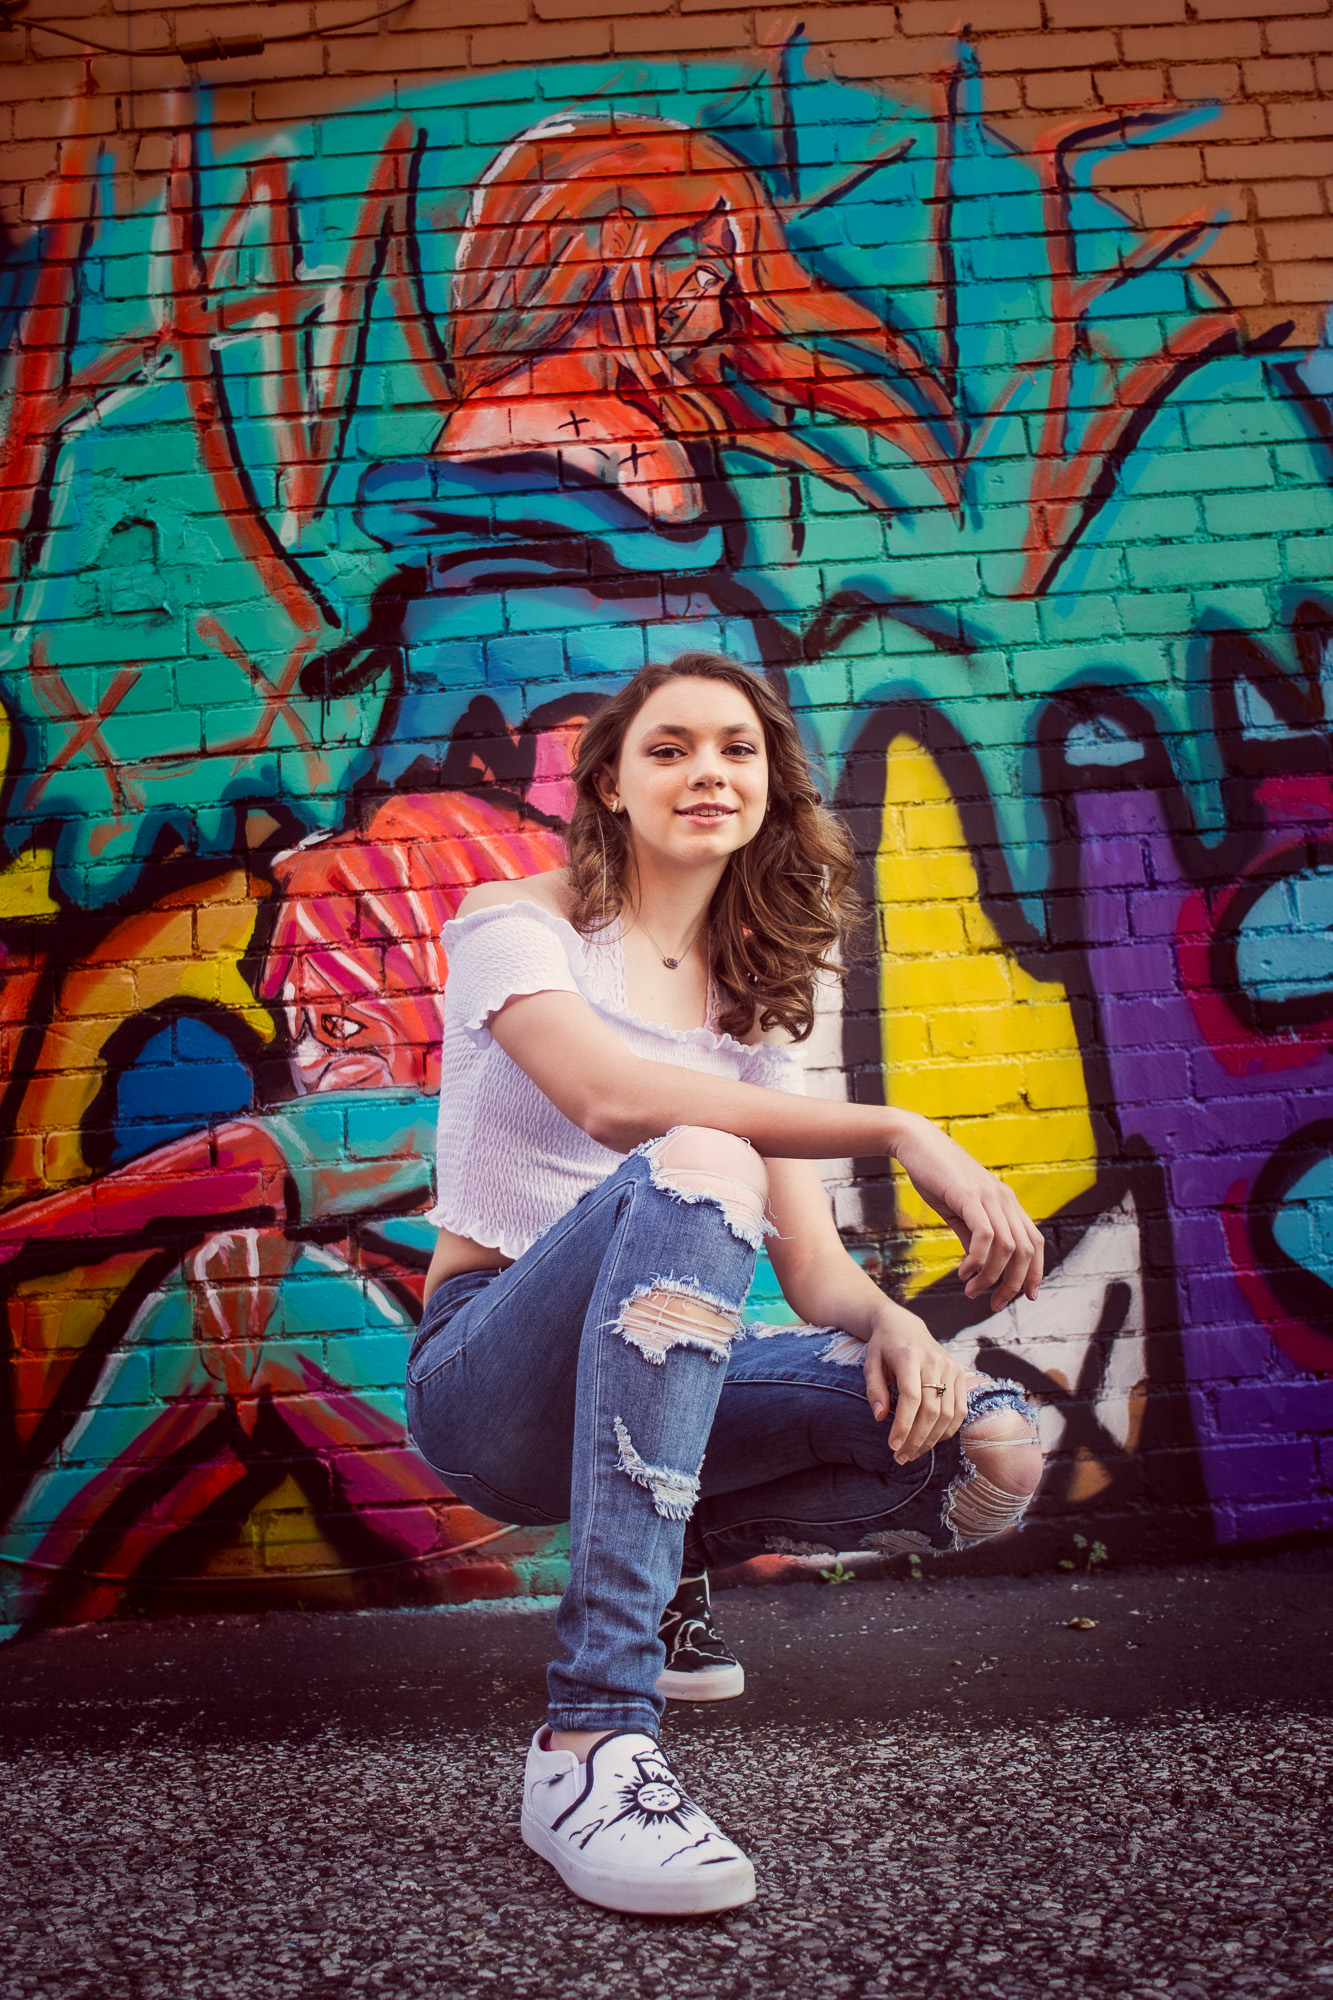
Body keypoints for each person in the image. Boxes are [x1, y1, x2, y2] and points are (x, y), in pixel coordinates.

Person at [406, 649, 1044, 1915]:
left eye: (737, 749)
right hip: (489, 1375)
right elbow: (609, 1098)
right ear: (608, 788)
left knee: (985, 1445)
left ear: (770, 785)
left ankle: (681, 1538)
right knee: (697, 1157)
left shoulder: (762, 996)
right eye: (671, 747)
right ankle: (592, 1739)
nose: (709, 771)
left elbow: (809, 1271)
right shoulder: (511, 927)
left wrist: (893, 1321)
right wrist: (896, 1128)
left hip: (660, 1366)